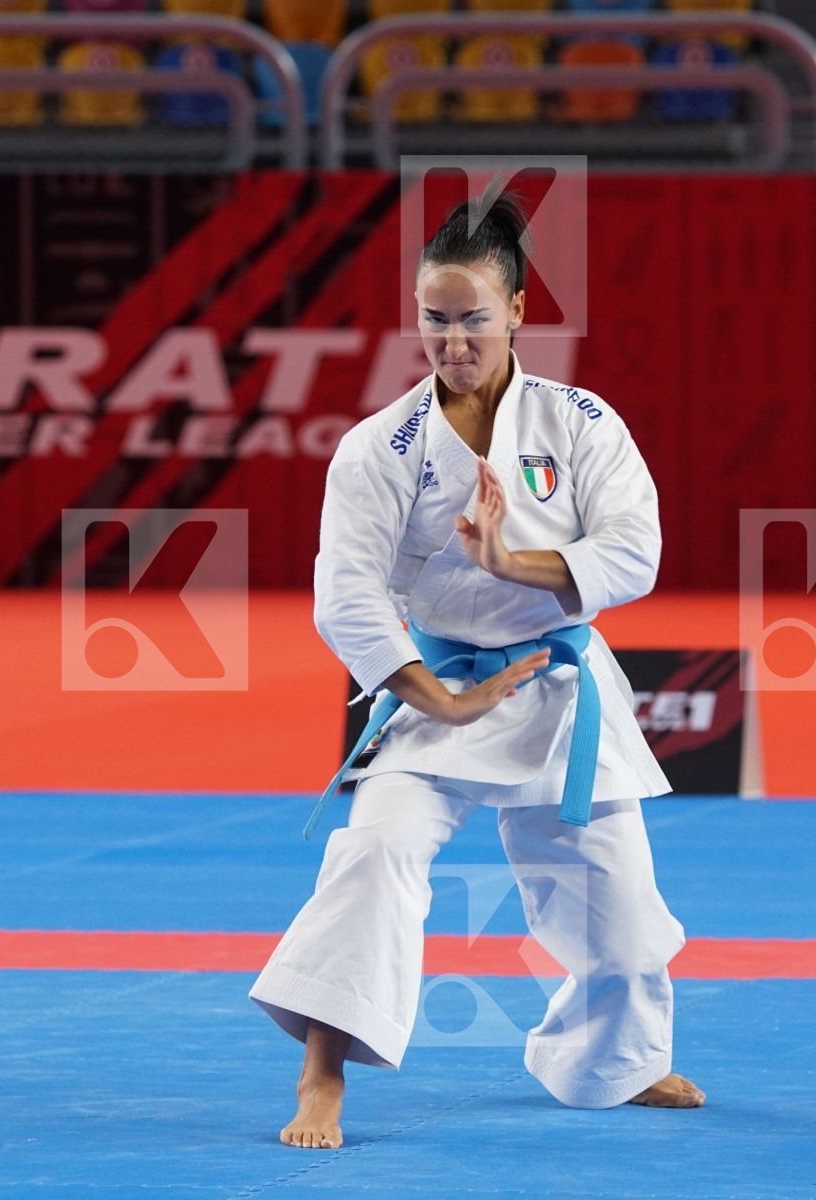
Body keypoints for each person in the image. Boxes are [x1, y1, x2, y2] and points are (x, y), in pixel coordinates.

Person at [249, 193, 703, 1151]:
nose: (451, 342)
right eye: (434, 321)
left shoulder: (580, 421)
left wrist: (510, 564)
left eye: (472, 321)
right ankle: (321, 1072)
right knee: (374, 855)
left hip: (557, 686)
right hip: (437, 689)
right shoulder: (379, 446)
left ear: (518, 313)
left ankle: (611, 1060)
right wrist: (438, 699)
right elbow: (348, 594)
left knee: (619, 909)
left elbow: (633, 555)